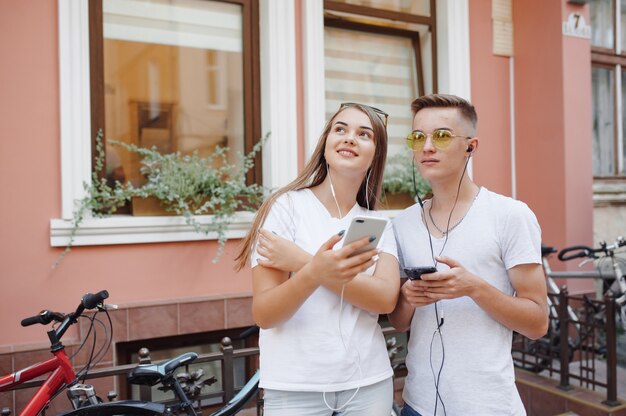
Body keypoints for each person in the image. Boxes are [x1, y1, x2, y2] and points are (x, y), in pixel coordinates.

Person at [235, 102, 400, 415]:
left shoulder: (379, 224)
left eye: (363, 134)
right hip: (295, 386)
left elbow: (384, 300)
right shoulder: (285, 208)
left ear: (375, 155)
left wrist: (301, 263)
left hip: (368, 383)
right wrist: (316, 272)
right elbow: (266, 314)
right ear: (326, 144)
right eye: (340, 129)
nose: (350, 138)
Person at [388, 94, 548, 416]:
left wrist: (473, 287)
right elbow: (399, 321)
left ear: (471, 146)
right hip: (417, 405)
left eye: (442, 136)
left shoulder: (510, 215)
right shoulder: (402, 223)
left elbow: (537, 323)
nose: (427, 146)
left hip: (487, 406)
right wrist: (407, 297)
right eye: (418, 136)